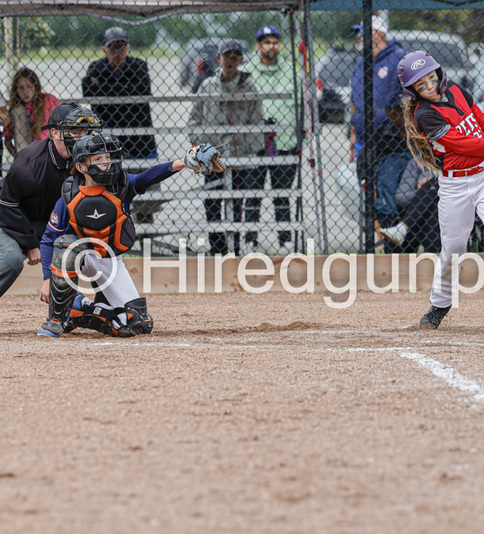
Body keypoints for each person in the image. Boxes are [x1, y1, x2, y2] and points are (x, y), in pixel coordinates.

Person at [36, 133, 221, 337]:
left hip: (109, 260)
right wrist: (47, 279)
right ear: (81, 166)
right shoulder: (70, 193)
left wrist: (184, 162)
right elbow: (48, 239)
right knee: (65, 244)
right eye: (98, 159)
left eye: (108, 157)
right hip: (81, 255)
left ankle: (80, 309)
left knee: (137, 324)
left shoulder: (121, 185)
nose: (106, 163)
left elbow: (149, 176)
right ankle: (56, 319)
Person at [397, 50, 484, 334]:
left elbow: (480, 119)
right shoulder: (425, 114)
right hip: (455, 185)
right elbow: (462, 145)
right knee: (453, 250)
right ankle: (440, 303)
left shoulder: (457, 90)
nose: (429, 87)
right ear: (414, 91)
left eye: (430, 78)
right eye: (421, 85)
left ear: (438, 74)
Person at [0, 104, 100, 298]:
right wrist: (30, 243)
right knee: (10, 259)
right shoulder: (30, 162)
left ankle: (73, 311)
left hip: (51, 224)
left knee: (82, 249)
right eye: (75, 130)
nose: (83, 136)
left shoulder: (88, 159)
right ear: (55, 133)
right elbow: (6, 206)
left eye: (86, 131)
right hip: (13, 223)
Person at [188, 39, 265, 256]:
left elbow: (257, 121)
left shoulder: (249, 86)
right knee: (212, 202)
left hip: (239, 156)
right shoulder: (207, 86)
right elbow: (194, 120)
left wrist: (248, 149)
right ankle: (218, 248)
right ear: (219, 59)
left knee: (238, 203)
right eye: (226, 57)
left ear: (241, 59)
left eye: (235, 57)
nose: (230, 61)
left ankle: (236, 247)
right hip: (212, 157)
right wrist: (203, 146)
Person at [240, 24, 300, 255]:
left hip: (285, 142)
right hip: (254, 144)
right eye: (266, 42)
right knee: (252, 194)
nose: (271, 46)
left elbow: (302, 107)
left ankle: (286, 240)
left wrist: (300, 143)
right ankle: (250, 240)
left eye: (275, 41)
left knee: (282, 193)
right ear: (258, 45)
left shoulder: (291, 70)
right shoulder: (247, 71)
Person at [82, 27, 158, 159]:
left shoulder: (138, 66)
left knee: (144, 176)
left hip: (140, 139)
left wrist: (102, 87)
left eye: (121, 48)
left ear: (128, 48)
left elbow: (143, 89)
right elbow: (87, 90)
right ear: (104, 50)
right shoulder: (96, 67)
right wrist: (126, 88)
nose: (117, 52)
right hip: (107, 139)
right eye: (112, 48)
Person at [349, 16, 405, 162]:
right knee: (362, 181)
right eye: (358, 32)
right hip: (362, 139)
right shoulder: (361, 63)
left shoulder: (398, 57)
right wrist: (353, 134)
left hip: (390, 139)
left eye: (363, 31)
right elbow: (355, 101)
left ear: (379, 33)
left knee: (385, 181)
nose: (359, 36)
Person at [378, 153, 440, 253]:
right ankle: (436, 260)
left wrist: (429, 187)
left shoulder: (456, 161)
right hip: (416, 215)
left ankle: (402, 228)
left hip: (447, 212)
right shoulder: (418, 161)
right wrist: (422, 192)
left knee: (434, 185)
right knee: (431, 194)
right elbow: (401, 198)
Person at [2, 68, 61, 157]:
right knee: (18, 111)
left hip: (48, 149)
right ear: (16, 90)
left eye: (29, 87)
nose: (25, 92)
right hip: (27, 153)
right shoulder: (16, 109)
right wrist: (17, 156)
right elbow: (7, 138)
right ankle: (26, 158)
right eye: (21, 88)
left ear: (36, 86)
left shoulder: (48, 100)